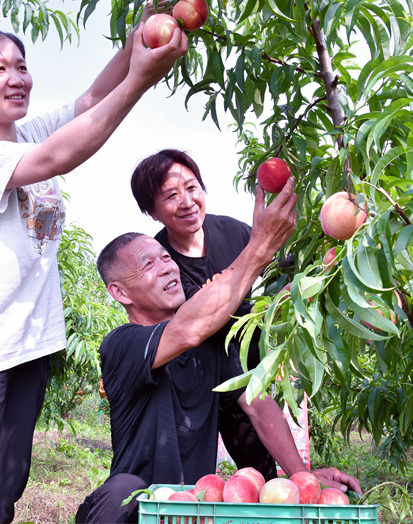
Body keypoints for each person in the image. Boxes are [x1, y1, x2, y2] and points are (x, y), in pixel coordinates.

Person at [0, 15, 188, 524]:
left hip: (26, 349)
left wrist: (144, 31)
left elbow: (90, 103)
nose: (17, 78)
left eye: (22, 66)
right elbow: (62, 154)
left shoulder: (25, 134)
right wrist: (142, 80)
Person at [76, 179, 362, 523]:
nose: (167, 266)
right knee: (121, 491)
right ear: (121, 293)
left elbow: (257, 406)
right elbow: (188, 328)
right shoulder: (123, 344)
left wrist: (303, 476)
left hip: (190, 504)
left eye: (166, 258)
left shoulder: (214, 344)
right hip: (135, 507)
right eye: (148, 265)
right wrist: (259, 247)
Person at [131, 149, 278, 479]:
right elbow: (204, 322)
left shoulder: (236, 234)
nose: (186, 202)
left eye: (192, 187)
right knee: (187, 480)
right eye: (170, 195)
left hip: (249, 374)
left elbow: (280, 273)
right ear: (152, 212)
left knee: (263, 475)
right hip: (197, 381)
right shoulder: (161, 262)